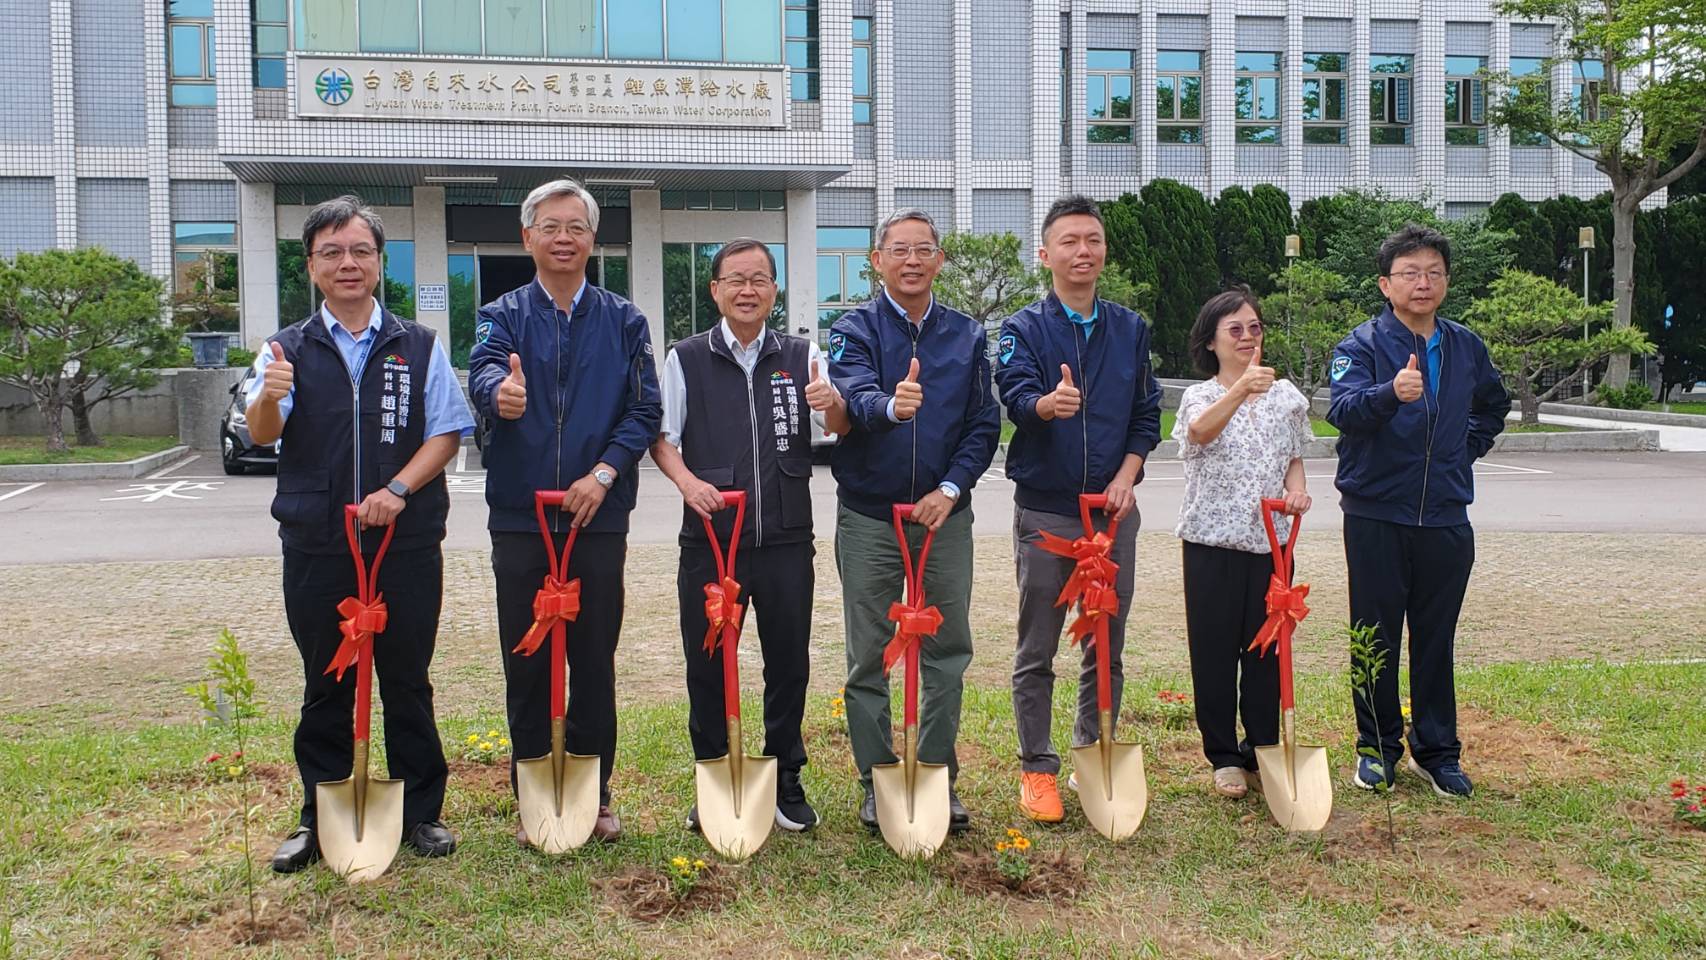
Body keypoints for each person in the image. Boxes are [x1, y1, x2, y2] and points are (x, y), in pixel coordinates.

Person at [246, 195, 473, 872]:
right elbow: (264, 434)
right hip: (318, 541)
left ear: (379, 262)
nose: (347, 264)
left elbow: (448, 433)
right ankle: (320, 816)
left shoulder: (419, 344)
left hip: (402, 544)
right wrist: (266, 394)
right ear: (311, 265)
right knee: (326, 680)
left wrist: (398, 490)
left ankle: (420, 813)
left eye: (360, 252)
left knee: (406, 678)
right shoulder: (285, 348)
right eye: (331, 253)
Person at [468, 178, 662, 843]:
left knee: (592, 658)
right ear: (527, 238)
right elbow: (484, 372)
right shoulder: (502, 314)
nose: (563, 238)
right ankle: (533, 793)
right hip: (521, 516)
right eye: (549, 226)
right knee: (526, 660)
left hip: (595, 517)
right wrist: (502, 395)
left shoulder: (623, 319)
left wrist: (603, 475)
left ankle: (595, 792)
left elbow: (644, 410)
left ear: (592, 239)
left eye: (575, 227)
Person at [649, 237, 850, 833]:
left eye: (759, 279)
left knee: (788, 663)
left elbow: (835, 426)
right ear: (714, 290)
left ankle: (785, 776)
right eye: (735, 279)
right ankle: (713, 772)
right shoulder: (685, 357)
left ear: (774, 290)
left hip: (786, 536)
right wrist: (687, 484)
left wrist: (833, 401)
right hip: (713, 539)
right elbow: (663, 438)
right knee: (708, 663)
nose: (747, 290)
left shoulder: (801, 353)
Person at [828, 208, 1000, 833]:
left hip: (944, 518)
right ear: (877, 260)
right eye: (898, 250)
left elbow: (984, 424)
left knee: (946, 649)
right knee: (868, 654)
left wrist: (950, 489)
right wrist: (893, 407)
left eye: (923, 249)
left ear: (939, 260)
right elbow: (853, 398)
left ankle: (935, 773)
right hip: (871, 518)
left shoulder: (967, 335)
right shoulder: (851, 330)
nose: (911, 260)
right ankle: (876, 778)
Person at [993, 194, 1162, 823]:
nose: (1081, 251)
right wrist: (1045, 405)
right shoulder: (1022, 329)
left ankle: (1096, 749)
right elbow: (1013, 397)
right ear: (1046, 254)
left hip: (1113, 512)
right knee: (1038, 644)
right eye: (1068, 241)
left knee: (1105, 641)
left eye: (1091, 239)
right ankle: (1037, 768)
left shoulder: (1130, 328)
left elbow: (1147, 416)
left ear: (1103, 250)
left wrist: (1127, 477)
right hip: (1048, 512)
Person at [1327, 223, 1510, 798]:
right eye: (1409, 273)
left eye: (1433, 272)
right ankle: (1376, 748)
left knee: (1436, 637)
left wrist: (1462, 451)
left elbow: (1492, 406)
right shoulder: (1360, 345)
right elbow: (1343, 410)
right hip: (1377, 512)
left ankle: (1438, 752)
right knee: (1373, 636)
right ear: (1385, 284)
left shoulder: (1465, 346)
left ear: (1447, 282)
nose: (1422, 283)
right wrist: (1390, 394)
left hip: (1447, 517)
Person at [1172, 289, 1312, 799]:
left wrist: (1296, 491)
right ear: (1212, 341)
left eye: (1255, 327)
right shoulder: (1201, 395)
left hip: (1272, 545)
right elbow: (1196, 436)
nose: (1248, 338)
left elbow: (1293, 457)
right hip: (1210, 541)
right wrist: (1240, 391)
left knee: (1267, 650)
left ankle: (1262, 745)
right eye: (1235, 329)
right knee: (1213, 650)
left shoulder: (1287, 397)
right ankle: (1223, 754)